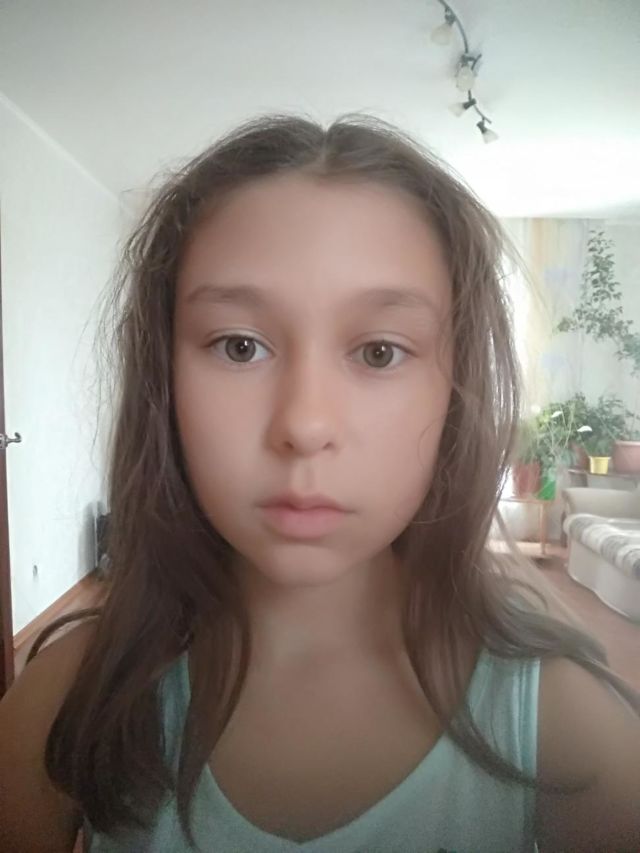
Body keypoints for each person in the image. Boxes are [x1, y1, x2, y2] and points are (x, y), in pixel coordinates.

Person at [1, 113, 638, 853]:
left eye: (378, 352)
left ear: (456, 389)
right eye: (240, 346)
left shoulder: (566, 727)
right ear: (162, 381)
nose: (304, 425)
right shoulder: (62, 705)